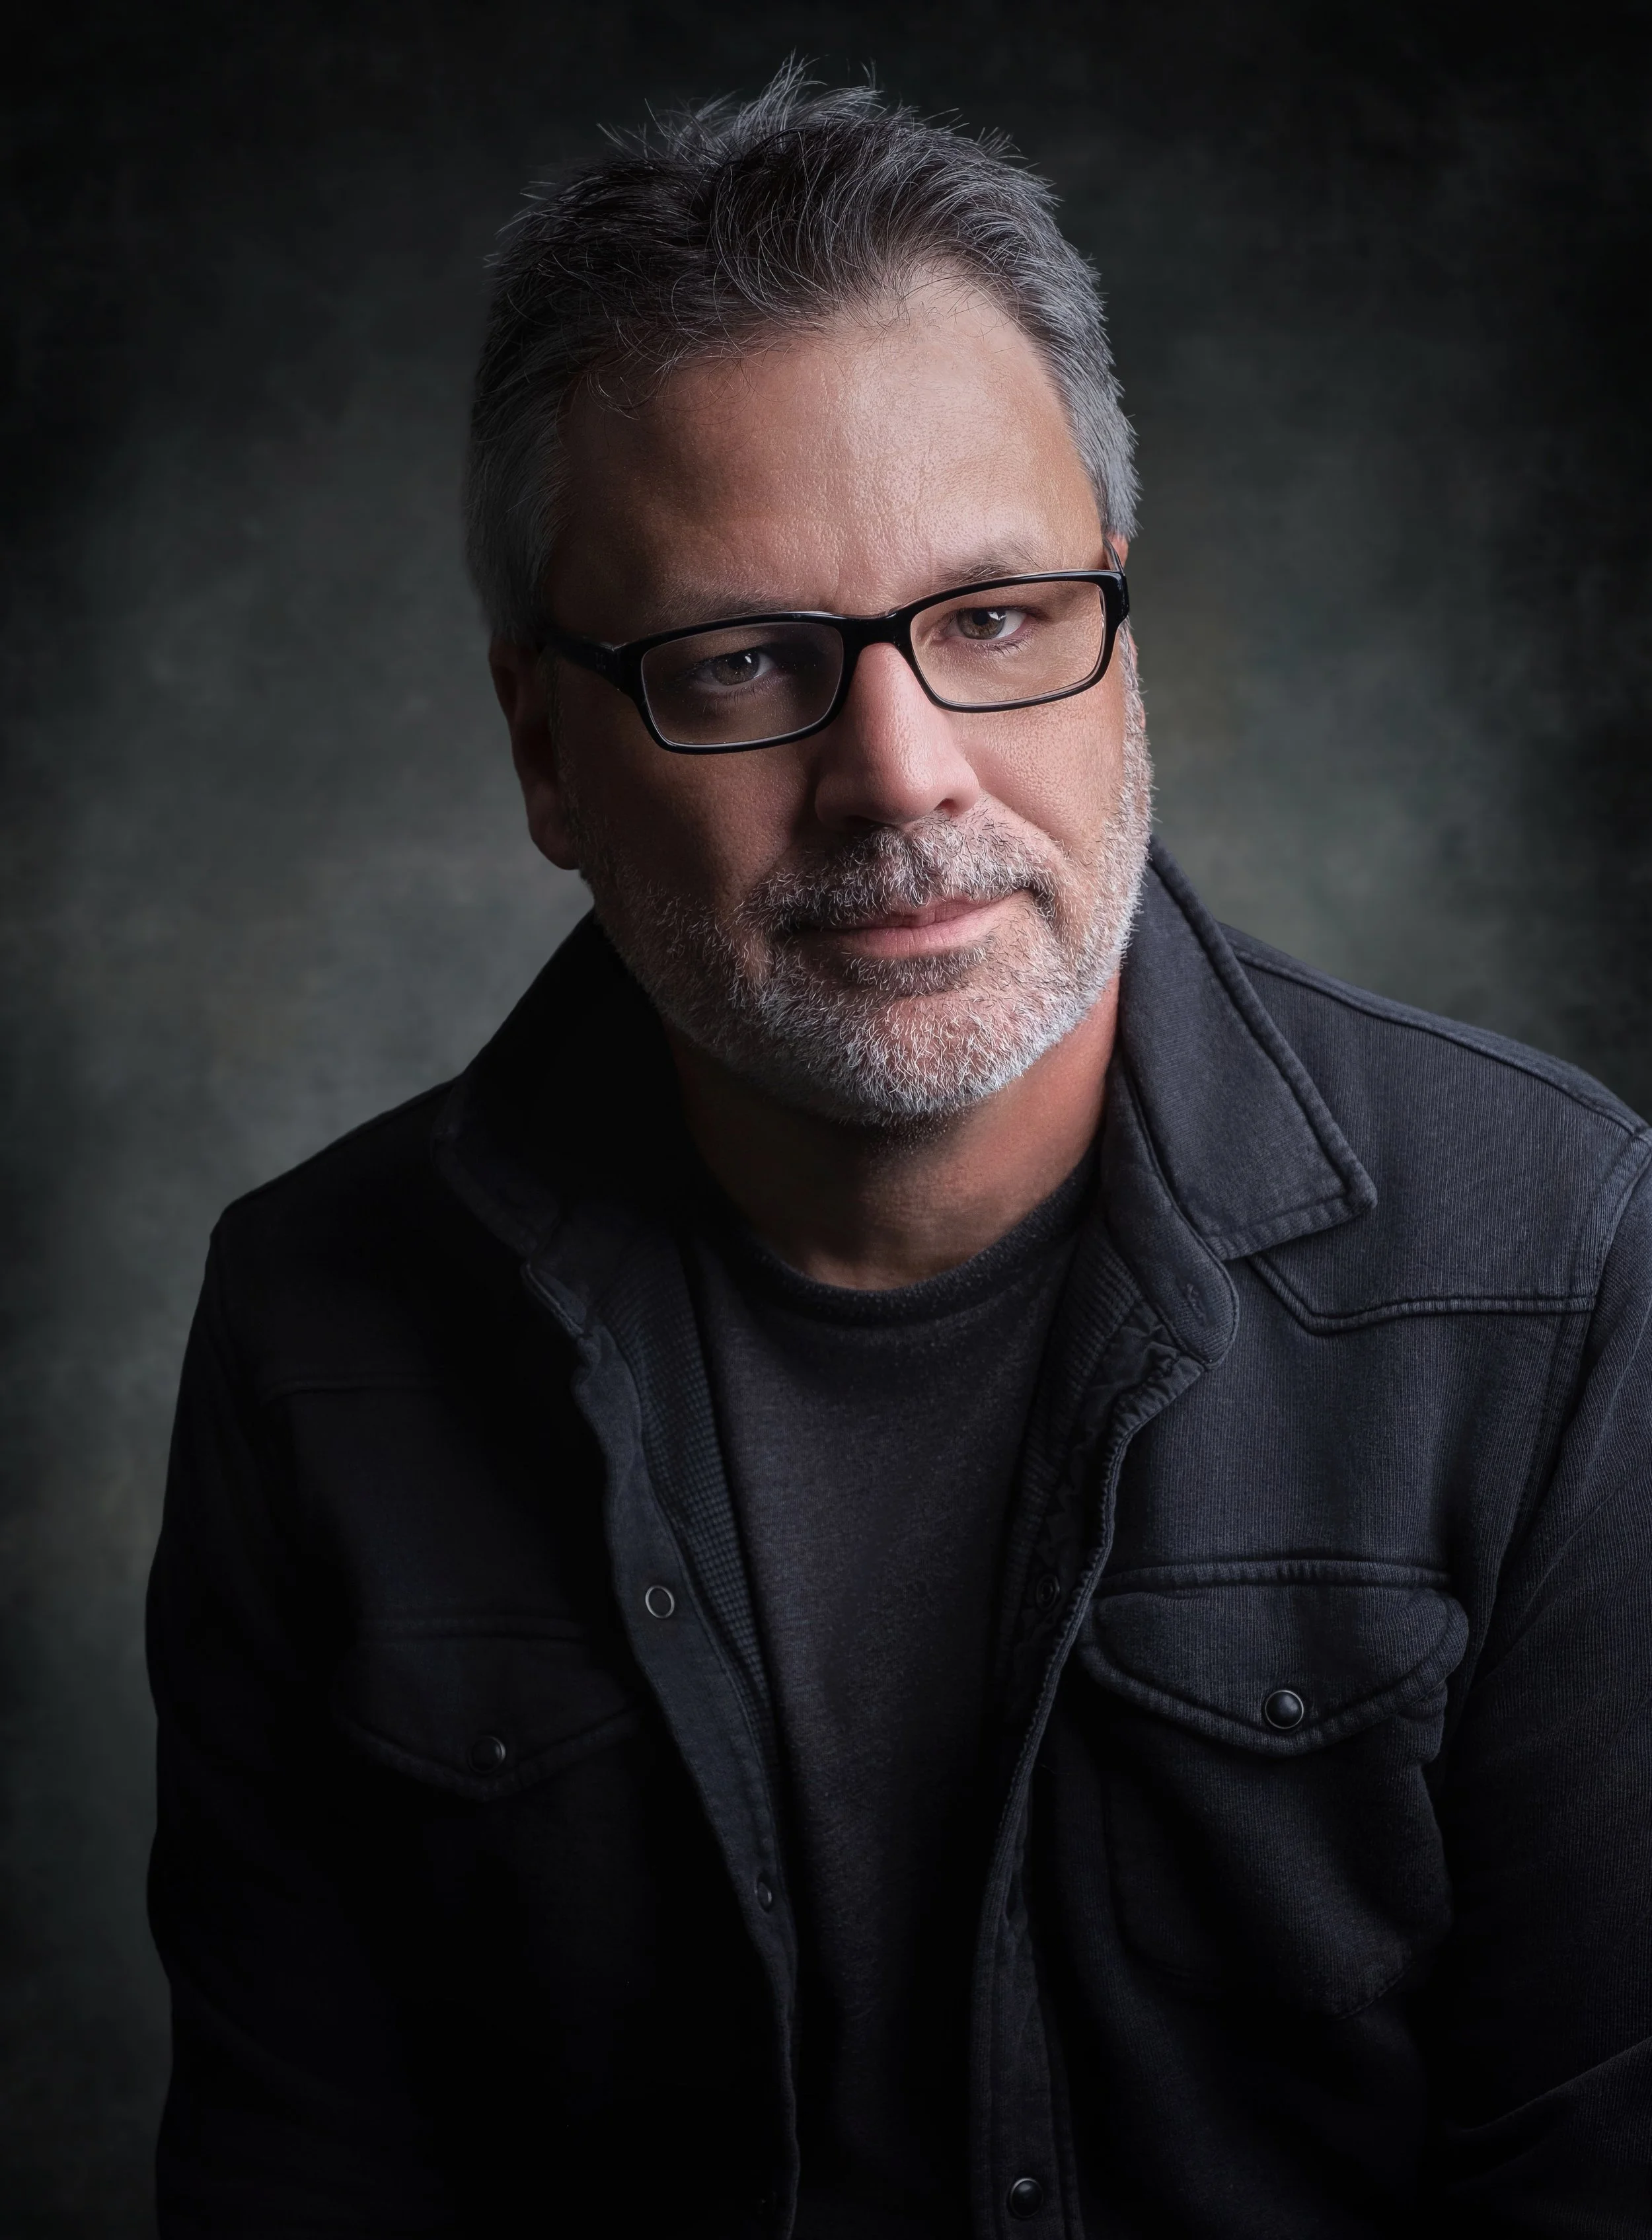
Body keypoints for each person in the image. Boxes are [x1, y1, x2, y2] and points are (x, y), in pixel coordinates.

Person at [147, 66, 1652, 2240]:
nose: (900, 775)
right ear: (545, 751)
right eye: (741, 659)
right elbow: (299, 2177)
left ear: (1117, 637)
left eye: (995, 618)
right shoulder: (318, 1330)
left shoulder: (1556, 1262)